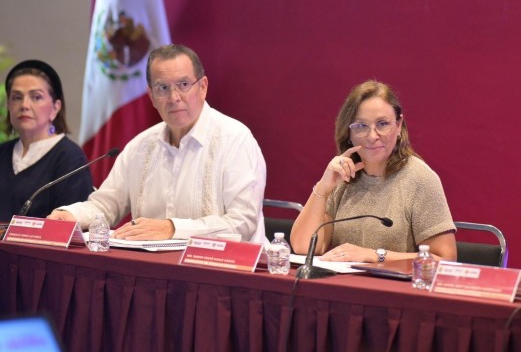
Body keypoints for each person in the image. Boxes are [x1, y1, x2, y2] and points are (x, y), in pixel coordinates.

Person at [48, 44, 267, 242]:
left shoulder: (235, 140)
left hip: (225, 270)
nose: (174, 97)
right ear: (151, 96)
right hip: (154, 269)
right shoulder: (140, 147)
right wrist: (70, 215)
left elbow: (242, 223)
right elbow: (106, 205)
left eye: (184, 84)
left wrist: (172, 228)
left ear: (203, 87)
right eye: (162, 88)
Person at [290, 80, 456, 263]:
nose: (372, 136)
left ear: (399, 125)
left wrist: (374, 255)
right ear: (349, 133)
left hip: (396, 282)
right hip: (342, 281)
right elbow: (303, 247)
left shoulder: (421, 179)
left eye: (382, 124)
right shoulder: (343, 176)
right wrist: (323, 188)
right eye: (361, 126)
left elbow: (445, 259)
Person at [0, 60, 93, 220]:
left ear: (56, 107)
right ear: (8, 105)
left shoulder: (69, 158)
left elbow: (69, 226)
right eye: (17, 97)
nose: (24, 105)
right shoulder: (2, 152)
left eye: (36, 97)